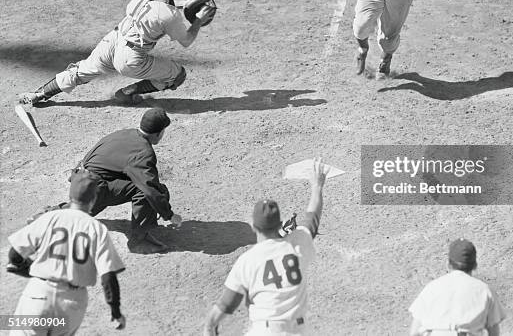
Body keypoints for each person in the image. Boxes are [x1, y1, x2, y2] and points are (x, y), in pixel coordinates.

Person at [18, 0, 217, 106]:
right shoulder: (169, 15)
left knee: (81, 71)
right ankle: (128, 93)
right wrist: (198, 19)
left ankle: (39, 93)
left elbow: (159, 6)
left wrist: (184, 3)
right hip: (131, 58)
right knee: (177, 75)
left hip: (113, 40)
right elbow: (186, 41)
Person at [203, 158, 330, 335]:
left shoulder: (247, 261)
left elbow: (225, 306)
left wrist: (210, 327)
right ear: (280, 225)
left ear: (254, 227)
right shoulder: (298, 243)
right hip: (297, 331)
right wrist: (317, 186)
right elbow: (312, 220)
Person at [28, 108, 183, 254]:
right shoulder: (144, 152)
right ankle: (140, 241)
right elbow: (150, 188)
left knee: (80, 212)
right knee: (149, 191)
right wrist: (169, 215)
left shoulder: (124, 133)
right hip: (95, 187)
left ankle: (45, 217)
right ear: (159, 133)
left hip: (80, 178)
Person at [7, 168, 126, 335]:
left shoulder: (51, 217)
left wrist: (30, 271)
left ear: (70, 196)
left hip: (38, 296)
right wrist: (116, 311)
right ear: (93, 199)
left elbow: (14, 255)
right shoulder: (96, 228)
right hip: (71, 304)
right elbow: (108, 277)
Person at [408, 238, 506, 336]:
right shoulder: (484, 291)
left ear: (449, 264)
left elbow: (414, 332)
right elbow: (494, 332)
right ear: (475, 265)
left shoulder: (432, 288)